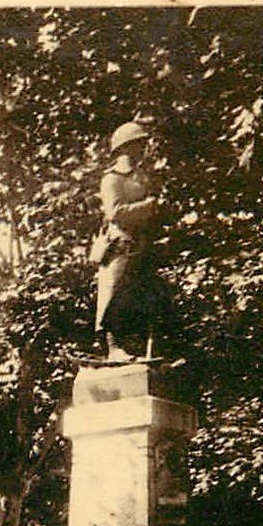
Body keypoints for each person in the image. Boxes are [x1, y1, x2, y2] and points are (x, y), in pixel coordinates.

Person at [91, 121, 168, 361]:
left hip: (142, 244)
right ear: (125, 148)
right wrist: (149, 206)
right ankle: (114, 348)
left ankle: (139, 349)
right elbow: (116, 213)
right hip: (120, 246)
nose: (143, 150)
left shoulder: (143, 178)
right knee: (115, 296)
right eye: (138, 145)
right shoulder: (111, 179)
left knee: (142, 298)